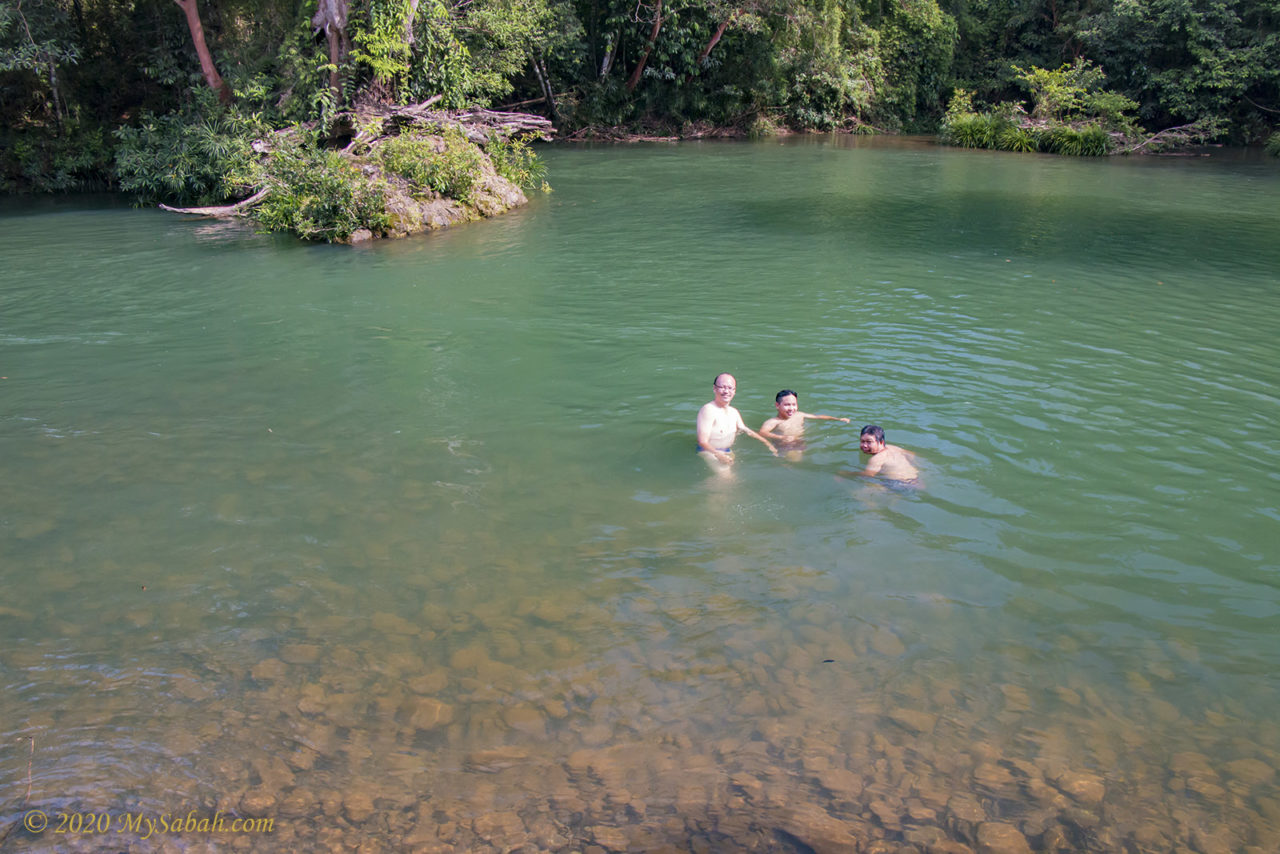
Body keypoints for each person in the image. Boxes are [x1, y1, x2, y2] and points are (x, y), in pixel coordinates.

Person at [696, 373, 777, 472]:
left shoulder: (734, 412)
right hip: (709, 451)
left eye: (730, 388)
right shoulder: (708, 410)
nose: (726, 391)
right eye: (722, 387)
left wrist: (767, 443)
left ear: (734, 391)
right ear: (714, 388)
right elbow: (702, 441)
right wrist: (718, 454)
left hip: (727, 451)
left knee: (738, 473)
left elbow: (746, 430)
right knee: (728, 479)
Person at [759, 389, 851, 450]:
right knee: (794, 461)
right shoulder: (773, 421)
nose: (791, 408)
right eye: (787, 405)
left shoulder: (799, 415)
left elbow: (818, 417)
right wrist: (782, 437)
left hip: (800, 441)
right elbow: (762, 432)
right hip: (785, 444)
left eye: (794, 404)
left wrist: (838, 419)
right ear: (777, 405)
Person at [839, 424, 920, 483]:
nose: (864, 445)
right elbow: (912, 454)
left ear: (881, 442)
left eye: (869, 442)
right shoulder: (893, 447)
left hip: (900, 484)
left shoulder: (876, 459)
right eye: (862, 441)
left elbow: (868, 475)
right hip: (916, 479)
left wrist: (846, 474)